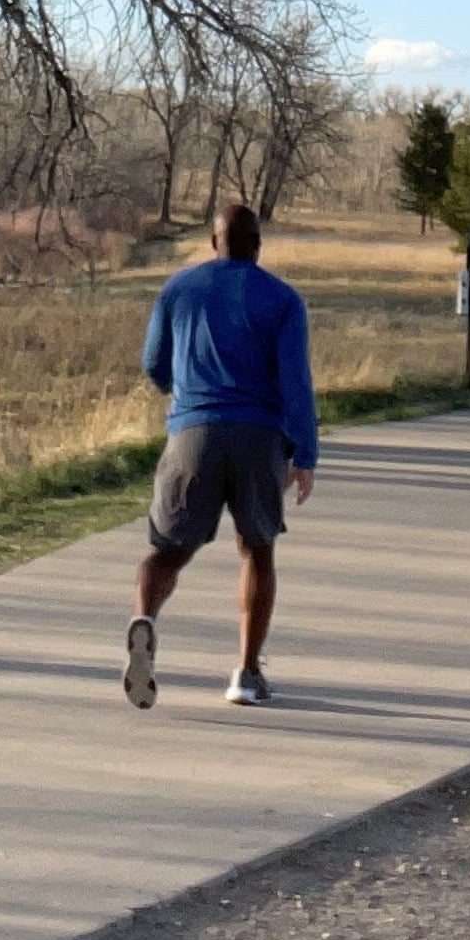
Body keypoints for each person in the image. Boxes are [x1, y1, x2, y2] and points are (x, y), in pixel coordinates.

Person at [123, 201, 318, 708]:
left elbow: (153, 364)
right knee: (257, 548)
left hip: (193, 433)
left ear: (214, 242)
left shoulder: (178, 290)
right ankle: (246, 675)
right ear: (258, 246)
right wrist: (306, 454)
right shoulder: (283, 300)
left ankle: (144, 619)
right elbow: (297, 384)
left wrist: (182, 390)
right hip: (259, 437)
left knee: (168, 548)